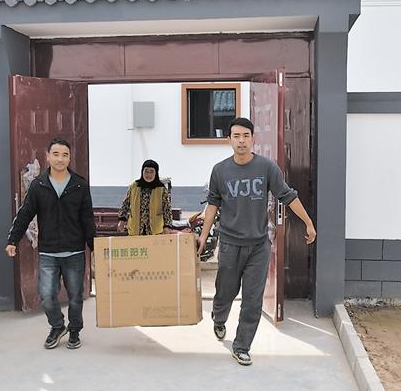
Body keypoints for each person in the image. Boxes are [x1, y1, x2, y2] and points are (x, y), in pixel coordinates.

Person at [197, 117, 316, 366]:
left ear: (253, 139)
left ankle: (241, 346)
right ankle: (219, 318)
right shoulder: (220, 170)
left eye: (246, 136)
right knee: (225, 293)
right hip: (229, 244)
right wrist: (203, 236)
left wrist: (308, 222)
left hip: (259, 246)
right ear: (229, 139)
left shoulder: (267, 167)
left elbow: (287, 196)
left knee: (252, 299)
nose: (241, 141)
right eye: (236, 136)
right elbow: (212, 205)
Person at [5, 137, 95, 350]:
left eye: (65, 155)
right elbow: (25, 213)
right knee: (46, 295)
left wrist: (94, 247)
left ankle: (74, 331)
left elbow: (87, 219)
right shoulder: (39, 185)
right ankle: (57, 326)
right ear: (47, 157)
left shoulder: (80, 184)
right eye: (56, 154)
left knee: (75, 297)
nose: (60, 159)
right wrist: (13, 240)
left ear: (70, 158)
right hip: (49, 252)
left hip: (74, 251)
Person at [117, 159, 173, 235]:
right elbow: (125, 204)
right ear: (142, 172)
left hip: (155, 230)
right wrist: (122, 220)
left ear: (156, 173)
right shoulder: (134, 186)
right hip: (136, 229)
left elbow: (167, 209)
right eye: (146, 171)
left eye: (151, 172)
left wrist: (167, 226)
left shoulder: (161, 189)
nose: (148, 175)